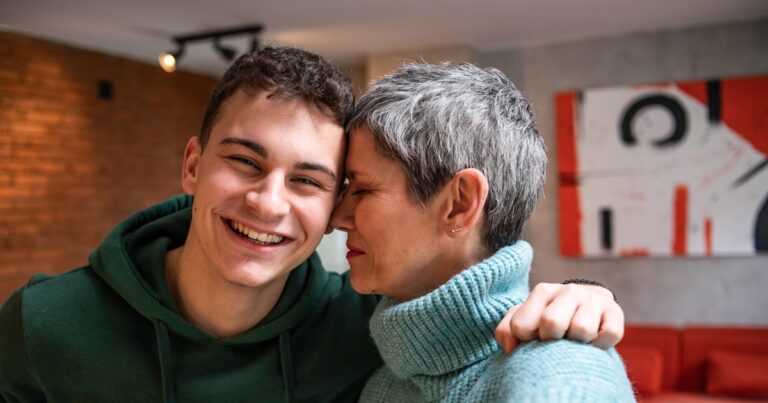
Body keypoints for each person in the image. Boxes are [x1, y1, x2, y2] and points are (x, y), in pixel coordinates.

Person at [0, 47, 623, 403]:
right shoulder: (41, 322)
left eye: (315, 183)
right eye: (244, 161)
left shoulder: (360, 331)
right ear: (193, 164)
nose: (270, 203)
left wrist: (583, 304)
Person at [331, 62, 635, 402]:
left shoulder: (561, 369)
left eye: (361, 190)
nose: (337, 217)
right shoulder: (384, 381)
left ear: (460, 203)